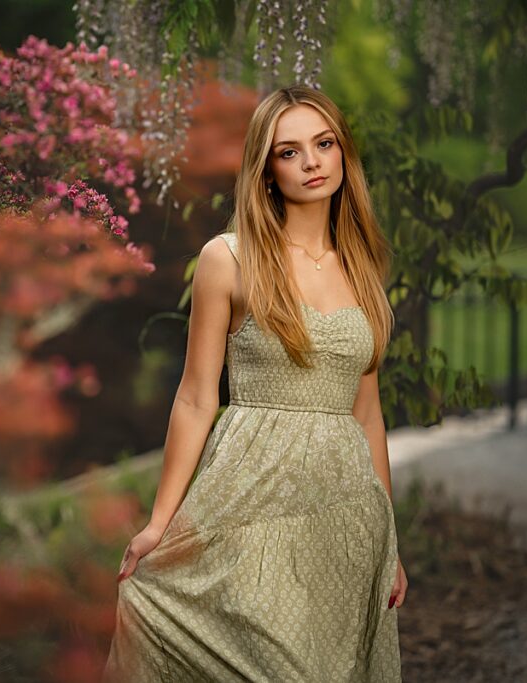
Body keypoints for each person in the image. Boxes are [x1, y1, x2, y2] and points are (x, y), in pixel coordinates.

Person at [101, 85, 408, 682]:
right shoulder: (230, 258)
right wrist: (159, 522)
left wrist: (389, 543)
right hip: (249, 503)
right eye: (289, 152)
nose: (312, 162)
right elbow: (195, 396)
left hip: (345, 518)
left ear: (343, 153)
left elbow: (368, 414)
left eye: (323, 144)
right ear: (266, 171)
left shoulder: (363, 266)